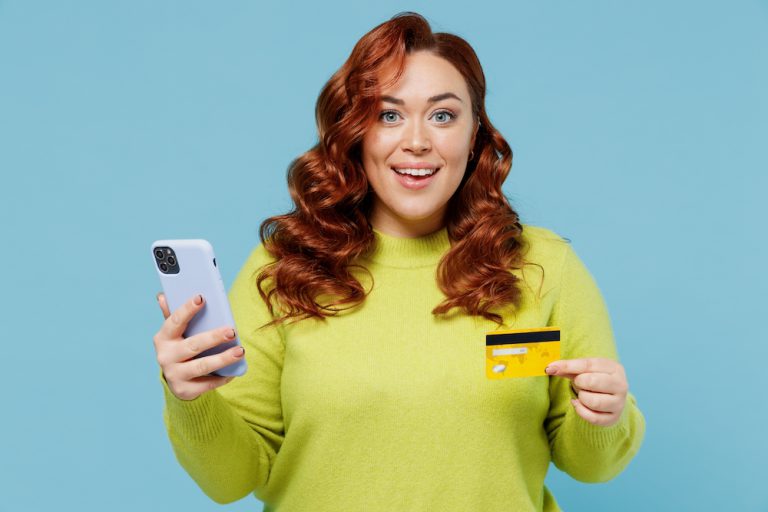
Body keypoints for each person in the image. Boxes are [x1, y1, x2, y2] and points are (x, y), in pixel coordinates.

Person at [152, 11, 645, 511]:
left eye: (443, 115)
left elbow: (592, 466)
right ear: (355, 133)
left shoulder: (543, 267)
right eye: (388, 115)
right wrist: (191, 400)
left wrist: (606, 414)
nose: (416, 140)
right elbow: (230, 480)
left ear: (474, 134)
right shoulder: (285, 267)